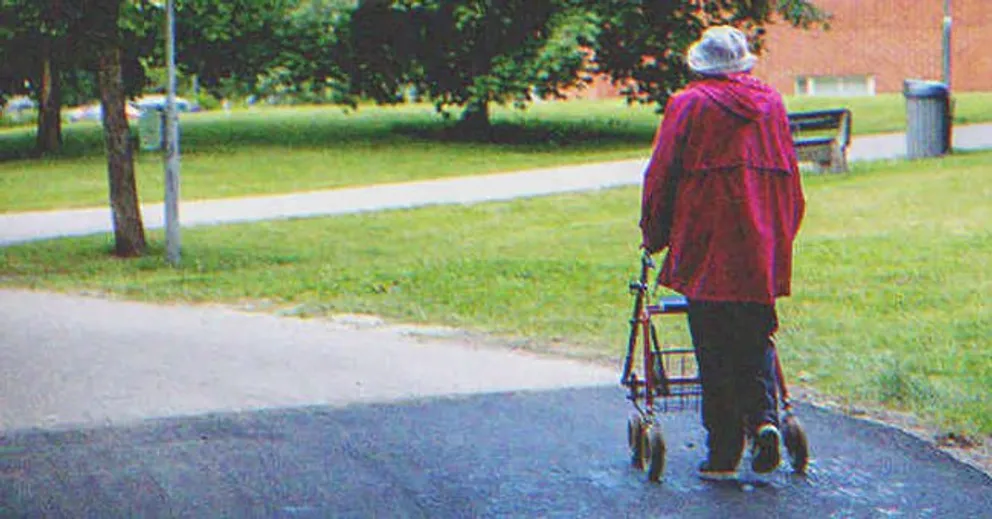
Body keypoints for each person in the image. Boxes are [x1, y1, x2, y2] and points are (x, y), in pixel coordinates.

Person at [639, 25, 806, 481]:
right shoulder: (770, 103)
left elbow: (662, 174)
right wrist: (781, 234)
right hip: (760, 243)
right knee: (754, 337)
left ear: (701, 65)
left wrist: (652, 232)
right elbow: (790, 175)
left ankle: (724, 452)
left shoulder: (689, 104)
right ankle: (764, 420)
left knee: (712, 346)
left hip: (707, 240)